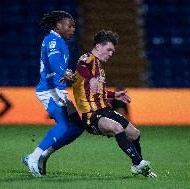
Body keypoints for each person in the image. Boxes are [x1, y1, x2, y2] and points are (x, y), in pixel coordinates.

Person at [70, 30, 157, 177]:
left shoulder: (100, 69)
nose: (111, 53)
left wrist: (114, 94)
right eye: (109, 49)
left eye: (112, 51)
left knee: (134, 133)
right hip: (91, 115)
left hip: (105, 110)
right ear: (98, 46)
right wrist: (90, 78)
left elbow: (100, 91)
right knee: (117, 127)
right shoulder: (88, 58)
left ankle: (137, 166)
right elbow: (81, 67)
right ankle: (139, 163)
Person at [23, 11, 84, 177]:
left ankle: (44, 154)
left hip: (58, 90)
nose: (73, 29)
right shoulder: (51, 40)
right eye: (69, 26)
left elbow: (55, 66)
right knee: (64, 125)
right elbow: (54, 62)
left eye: (74, 26)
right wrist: (63, 72)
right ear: (58, 25)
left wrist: (64, 73)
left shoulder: (60, 42)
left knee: (78, 127)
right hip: (48, 90)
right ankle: (34, 157)